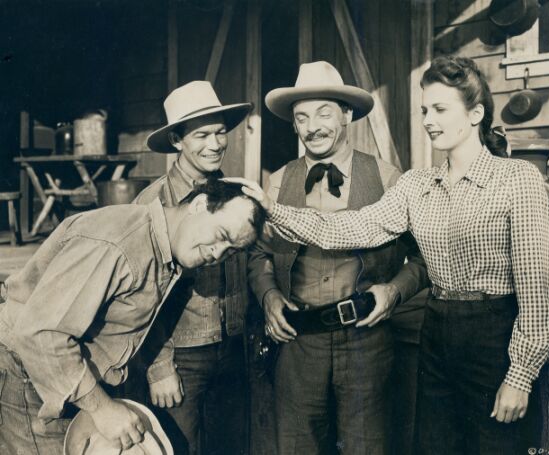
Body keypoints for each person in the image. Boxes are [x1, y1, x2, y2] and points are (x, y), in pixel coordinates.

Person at [227, 56, 549, 454]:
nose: (428, 120)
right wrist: (272, 207)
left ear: (476, 113)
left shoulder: (518, 180)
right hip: (436, 334)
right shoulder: (417, 185)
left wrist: (520, 376)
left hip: (495, 337)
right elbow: (350, 227)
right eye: (424, 110)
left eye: (440, 109)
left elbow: (537, 299)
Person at [0, 179, 265, 455]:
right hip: (30, 376)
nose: (219, 253)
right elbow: (41, 333)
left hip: (68, 379)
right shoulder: (120, 243)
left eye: (232, 250)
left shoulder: (164, 251)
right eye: (222, 234)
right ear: (199, 205)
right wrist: (102, 409)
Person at [246, 61, 429, 455]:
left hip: (368, 342)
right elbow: (258, 255)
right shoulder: (275, 183)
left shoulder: (387, 177)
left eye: (323, 112)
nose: (312, 126)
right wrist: (268, 297)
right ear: (294, 125)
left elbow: (423, 258)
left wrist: (395, 291)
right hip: (298, 343)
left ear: (346, 115)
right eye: (301, 117)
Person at [132, 80, 253, 455]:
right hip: (181, 358)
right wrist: (159, 367)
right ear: (177, 141)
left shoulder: (236, 195)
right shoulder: (151, 204)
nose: (215, 144)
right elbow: (139, 299)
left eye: (220, 133)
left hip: (234, 349)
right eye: (202, 135)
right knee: (182, 448)